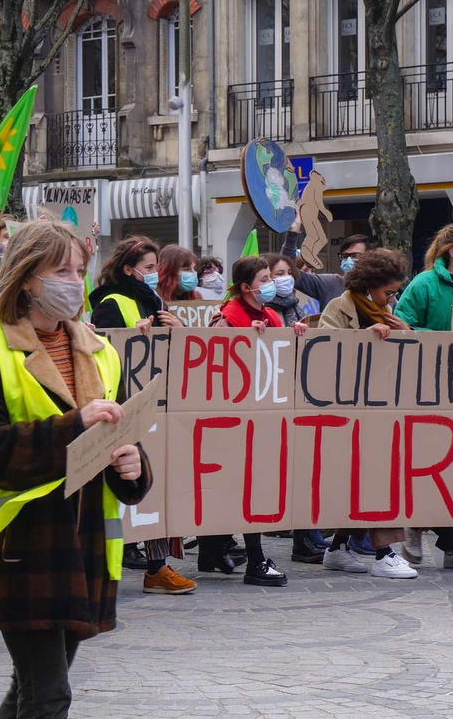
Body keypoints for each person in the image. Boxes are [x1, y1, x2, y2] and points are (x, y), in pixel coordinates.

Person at [0, 220, 152, 719]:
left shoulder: (101, 350)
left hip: (82, 547)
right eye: (60, 269)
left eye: (79, 270)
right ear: (26, 276)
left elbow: (121, 432)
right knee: (49, 694)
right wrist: (73, 424)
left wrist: (132, 465)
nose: (73, 281)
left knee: (31, 687)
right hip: (18, 545)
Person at [90, 239, 195, 596]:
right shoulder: (110, 303)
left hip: (157, 406)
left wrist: (175, 328)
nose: (154, 275)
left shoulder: (156, 303)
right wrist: (131, 334)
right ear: (128, 269)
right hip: (125, 407)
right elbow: (104, 350)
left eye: (155, 268)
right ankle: (128, 562)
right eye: (148, 268)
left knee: (158, 483)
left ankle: (157, 565)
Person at [199, 256, 306, 587]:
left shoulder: (271, 316)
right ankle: (256, 560)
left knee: (245, 486)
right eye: (265, 279)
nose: (271, 285)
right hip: (233, 420)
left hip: (262, 418)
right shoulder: (225, 319)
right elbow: (216, 367)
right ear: (246, 288)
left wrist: (294, 336)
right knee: (249, 486)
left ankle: (211, 550)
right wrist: (244, 340)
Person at [393, 222, 453, 570]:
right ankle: (414, 527)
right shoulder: (424, 285)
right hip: (428, 390)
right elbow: (400, 326)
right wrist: (442, 340)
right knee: (429, 463)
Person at [318, 248, 418, 579]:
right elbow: (322, 353)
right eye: (388, 292)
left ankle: (337, 549)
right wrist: (363, 339)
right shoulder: (339, 308)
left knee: (367, 481)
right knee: (375, 479)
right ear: (369, 286)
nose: (392, 298)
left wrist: (405, 332)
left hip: (382, 410)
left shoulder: (388, 313)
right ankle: (384, 553)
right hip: (346, 412)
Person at [264, 253, 330, 563]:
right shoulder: (264, 312)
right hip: (273, 404)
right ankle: (304, 537)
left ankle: (308, 536)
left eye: (287, 272)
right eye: (275, 274)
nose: (284, 278)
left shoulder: (291, 307)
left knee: (305, 470)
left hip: (296, 398)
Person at [282, 221, 370, 305]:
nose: (349, 260)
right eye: (345, 256)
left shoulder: (377, 290)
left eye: (355, 256)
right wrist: (293, 232)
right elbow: (289, 268)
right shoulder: (329, 283)